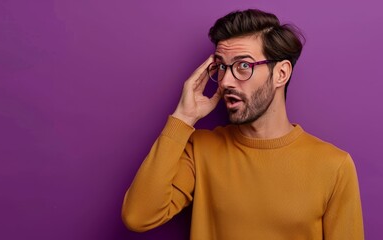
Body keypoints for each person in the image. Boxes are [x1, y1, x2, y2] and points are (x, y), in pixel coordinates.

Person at [122, 9, 364, 240]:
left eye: (243, 66)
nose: (226, 81)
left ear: (281, 73)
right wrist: (183, 118)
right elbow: (138, 216)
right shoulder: (200, 149)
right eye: (222, 67)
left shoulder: (334, 166)